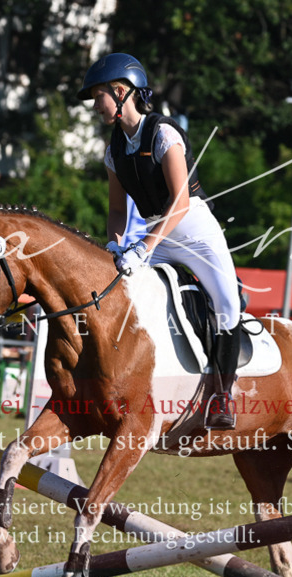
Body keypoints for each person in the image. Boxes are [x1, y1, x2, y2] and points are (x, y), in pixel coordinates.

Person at [78, 53, 240, 429]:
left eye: (98, 96)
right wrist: (117, 246)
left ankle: (222, 398)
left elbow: (180, 202)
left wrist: (144, 248)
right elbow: (118, 211)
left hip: (193, 228)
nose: (95, 106)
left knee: (228, 304)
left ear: (120, 92)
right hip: (153, 230)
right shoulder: (113, 150)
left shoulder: (164, 134)